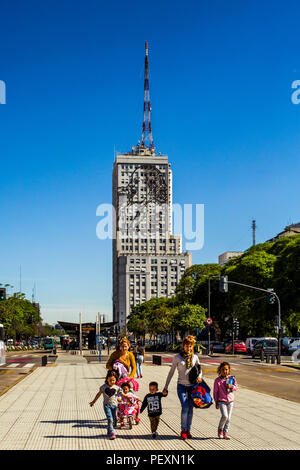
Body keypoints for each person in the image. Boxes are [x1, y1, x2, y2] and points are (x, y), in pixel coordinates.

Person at [162, 335, 202, 440]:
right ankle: (183, 430)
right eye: (186, 346)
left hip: (192, 387)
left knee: (191, 408)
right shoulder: (177, 357)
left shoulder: (195, 357)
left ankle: (188, 430)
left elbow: (199, 369)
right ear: (183, 346)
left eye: (190, 346)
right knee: (185, 407)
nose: (188, 348)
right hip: (181, 387)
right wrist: (166, 387)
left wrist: (200, 377)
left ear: (192, 347)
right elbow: (171, 373)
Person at [89, 370, 120, 440]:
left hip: (114, 405)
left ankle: (109, 428)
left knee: (114, 419)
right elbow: (98, 394)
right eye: (110, 380)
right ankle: (112, 433)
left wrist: (128, 398)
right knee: (110, 419)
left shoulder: (117, 387)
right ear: (107, 379)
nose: (112, 382)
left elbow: (120, 395)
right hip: (107, 405)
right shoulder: (103, 387)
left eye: (113, 380)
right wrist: (93, 402)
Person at [213, 361, 238, 440]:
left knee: (229, 418)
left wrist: (231, 386)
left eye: (226, 369)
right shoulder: (217, 380)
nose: (225, 371)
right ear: (220, 370)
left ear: (229, 370)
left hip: (230, 401)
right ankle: (220, 429)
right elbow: (215, 392)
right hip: (222, 401)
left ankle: (225, 432)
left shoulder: (231, 378)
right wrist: (216, 401)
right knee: (225, 416)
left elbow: (236, 387)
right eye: (223, 370)